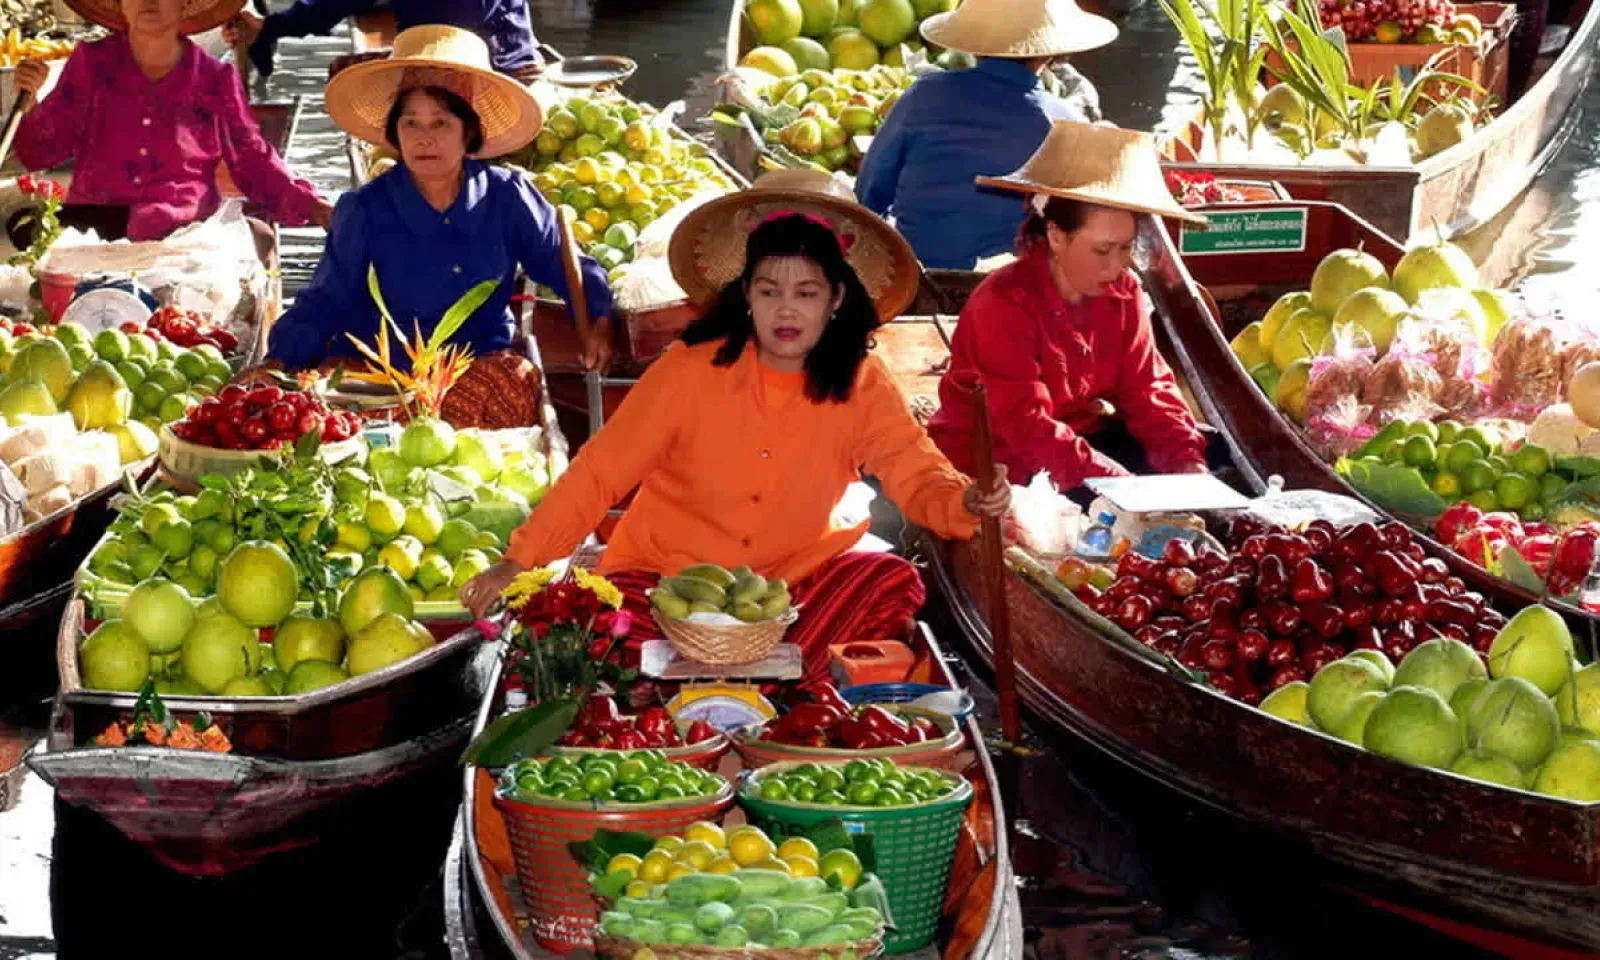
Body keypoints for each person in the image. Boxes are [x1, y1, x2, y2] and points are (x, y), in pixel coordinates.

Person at [461, 172, 1012, 685]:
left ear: (836, 300)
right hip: (667, 581)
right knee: (600, 627)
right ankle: (780, 684)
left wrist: (965, 502)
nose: (786, 311)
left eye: (807, 293)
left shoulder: (861, 382)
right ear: (746, 296)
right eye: (769, 291)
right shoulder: (687, 368)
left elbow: (915, 471)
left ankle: (782, 688)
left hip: (794, 584)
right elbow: (600, 473)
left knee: (892, 581)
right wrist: (521, 558)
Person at [252, 25, 615, 427]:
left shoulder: (508, 196)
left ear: (468, 131)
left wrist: (600, 319)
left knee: (515, 379)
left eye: (441, 123)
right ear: (396, 132)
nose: (425, 139)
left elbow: (566, 265)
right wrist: (277, 361)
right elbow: (324, 302)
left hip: (474, 372)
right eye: (411, 124)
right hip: (380, 379)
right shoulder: (365, 209)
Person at [927, 120, 1212, 497]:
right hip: (998, 466)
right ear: (1056, 237)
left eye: (1126, 248)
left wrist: (1188, 463)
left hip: (1075, 444)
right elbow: (1026, 426)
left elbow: (1148, 389)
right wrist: (1120, 487)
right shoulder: (1001, 305)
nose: (1116, 267)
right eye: (1102, 250)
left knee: (1211, 451)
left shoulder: (1123, 293)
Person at [11, 0, 330, 256]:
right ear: (122, 4)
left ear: (185, 5)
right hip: (94, 231)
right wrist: (33, 100)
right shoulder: (90, 63)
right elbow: (40, 151)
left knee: (257, 244)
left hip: (184, 234)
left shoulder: (215, 79)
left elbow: (252, 160)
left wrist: (313, 207)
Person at [854, 0, 1117, 270]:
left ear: (974, 46)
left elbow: (870, 192)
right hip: (1010, 285)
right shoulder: (1066, 123)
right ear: (1049, 54)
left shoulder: (924, 95)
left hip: (917, 274)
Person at [223, 0, 543, 83]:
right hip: (428, 64)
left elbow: (466, 17)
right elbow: (329, 8)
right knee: (342, 71)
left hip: (506, 73)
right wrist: (270, 26)